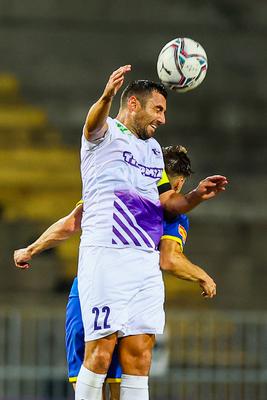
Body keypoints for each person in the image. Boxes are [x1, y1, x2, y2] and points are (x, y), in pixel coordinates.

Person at [15, 64, 227, 400]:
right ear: (133, 105)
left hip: (143, 263)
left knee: (140, 357)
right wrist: (106, 96)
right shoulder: (105, 134)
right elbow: (92, 123)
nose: (163, 119)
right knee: (100, 352)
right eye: (158, 109)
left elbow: (168, 201)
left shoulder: (154, 151)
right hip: (107, 256)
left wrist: (196, 196)